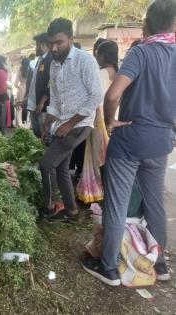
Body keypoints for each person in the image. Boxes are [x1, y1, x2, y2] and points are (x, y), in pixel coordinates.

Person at [82, 0, 176, 286]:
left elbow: (112, 96)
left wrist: (110, 122)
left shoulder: (141, 52)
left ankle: (109, 267)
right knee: (155, 202)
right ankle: (159, 264)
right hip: (161, 140)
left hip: (131, 138)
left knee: (117, 204)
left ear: (146, 25)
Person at [39, 18, 102, 220]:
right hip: (62, 123)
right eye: (51, 43)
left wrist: (69, 124)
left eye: (59, 42)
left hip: (80, 124)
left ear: (70, 39)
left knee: (46, 165)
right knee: (61, 169)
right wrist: (49, 119)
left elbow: (96, 97)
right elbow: (56, 97)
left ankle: (48, 207)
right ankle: (72, 211)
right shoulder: (54, 64)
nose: (54, 48)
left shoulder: (85, 60)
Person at [76, 41, 119, 203]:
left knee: (95, 158)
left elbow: (96, 99)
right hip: (115, 120)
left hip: (99, 120)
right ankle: (109, 191)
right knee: (108, 157)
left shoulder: (100, 73)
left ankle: (93, 191)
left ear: (101, 56)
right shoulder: (119, 73)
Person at [26, 33, 53, 138]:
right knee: (37, 134)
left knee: (44, 135)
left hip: (43, 107)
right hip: (33, 104)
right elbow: (35, 82)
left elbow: (52, 82)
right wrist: (27, 98)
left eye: (36, 45)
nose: (35, 48)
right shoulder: (40, 60)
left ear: (42, 45)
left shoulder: (50, 60)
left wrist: (42, 102)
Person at [14, 58, 30, 128]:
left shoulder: (20, 70)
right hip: (28, 90)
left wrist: (19, 87)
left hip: (21, 89)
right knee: (28, 107)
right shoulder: (30, 70)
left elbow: (15, 84)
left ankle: (19, 124)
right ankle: (29, 124)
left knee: (19, 107)